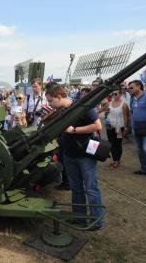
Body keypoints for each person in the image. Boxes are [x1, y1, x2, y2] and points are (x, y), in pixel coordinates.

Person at [46, 85, 104, 230]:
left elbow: (98, 126)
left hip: (85, 154)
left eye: (51, 101)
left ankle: (96, 221)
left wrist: (74, 130)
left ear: (59, 97)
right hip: (69, 154)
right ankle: (79, 217)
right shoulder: (62, 111)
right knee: (76, 188)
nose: (50, 104)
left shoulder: (83, 106)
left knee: (91, 188)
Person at [103, 90, 129, 168]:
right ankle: (115, 160)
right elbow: (104, 111)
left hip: (119, 128)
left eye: (115, 93)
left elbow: (126, 117)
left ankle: (117, 160)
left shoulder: (124, 105)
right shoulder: (109, 103)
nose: (113, 95)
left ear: (120, 94)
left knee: (118, 144)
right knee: (111, 144)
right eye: (112, 93)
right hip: (110, 127)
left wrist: (126, 128)